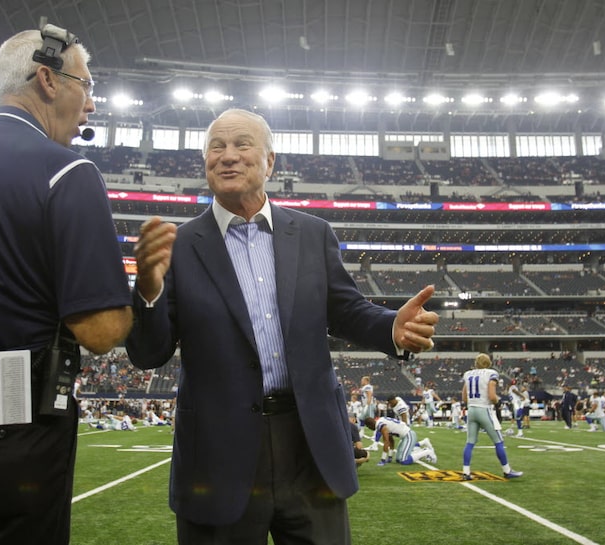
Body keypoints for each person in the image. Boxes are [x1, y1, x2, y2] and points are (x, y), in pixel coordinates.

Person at [125, 108, 439, 544]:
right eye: (217, 147)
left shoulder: (313, 234)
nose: (228, 156)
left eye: (242, 145)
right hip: (219, 453)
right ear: (205, 163)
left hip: (310, 447)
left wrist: (391, 329)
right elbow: (148, 352)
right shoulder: (179, 248)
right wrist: (147, 291)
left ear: (270, 162)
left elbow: (346, 310)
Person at [0, 24, 133, 545]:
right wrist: (144, 282)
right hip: (12, 429)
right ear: (47, 78)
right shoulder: (68, 171)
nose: (92, 105)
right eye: (86, 85)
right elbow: (101, 331)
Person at [460, 354, 523, 480]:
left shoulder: (468, 374)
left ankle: (466, 472)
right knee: (498, 441)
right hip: (484, 409)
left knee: (470, 442)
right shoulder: (491, 373)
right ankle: (507, 470)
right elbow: (492, 395)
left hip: (471, 410)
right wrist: (498, 403)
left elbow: (464, 397)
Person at [363, 416, 436, 465]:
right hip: (404, 437)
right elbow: (391, 441)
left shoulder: (380, 425)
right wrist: (390, 457)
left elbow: (386, 442)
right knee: (398, 459)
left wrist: (383, 459)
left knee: (404, 460)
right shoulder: (381, 421)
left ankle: (427, 452)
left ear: (370, 425)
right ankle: (421, 448)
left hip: (408, 435)